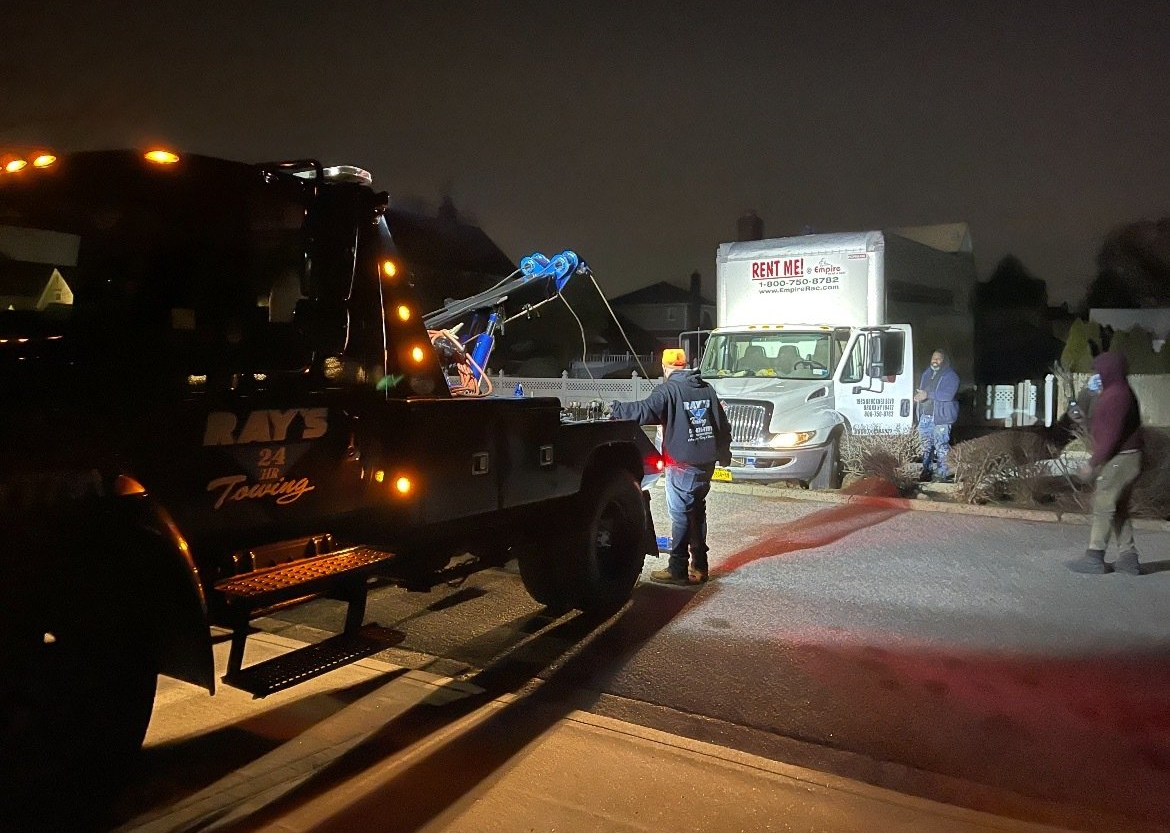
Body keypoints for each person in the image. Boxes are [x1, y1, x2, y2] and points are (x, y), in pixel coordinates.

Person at [611, 348, 732, 585]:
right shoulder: (706, 388)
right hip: (705, 462)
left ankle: (677, 568)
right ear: (685, 364)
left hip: (682, 463)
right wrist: (724, 453)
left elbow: (644, 411)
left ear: (666, 368)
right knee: (697, 512)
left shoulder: (669, 389)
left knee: (681, 515)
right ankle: (699, 565)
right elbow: (722, 424)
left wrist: (616, 408)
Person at [1068, 351, 1144, 575]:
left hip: (1121, 459)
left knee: (1103, 503)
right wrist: (1084, 420)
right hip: (1128, 458)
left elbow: (1111, 436)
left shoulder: (1117, 396)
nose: (1097, 375)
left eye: (1099, 371)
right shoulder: (1118, 392)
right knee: (1118, 507)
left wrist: (1092, 462)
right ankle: (1129, 558)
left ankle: (1095, 556)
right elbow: (1105, 426)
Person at [914, 349, 960, 482]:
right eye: (933, 358)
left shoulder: (951, 376)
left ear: (944, 360)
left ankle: (943, 473)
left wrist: (927, 395)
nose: (935, 361)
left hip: (941, 417)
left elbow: (947, 395)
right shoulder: (926, 374)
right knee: (925, 445)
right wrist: (919, 397)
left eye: (938, 359)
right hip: (925, 416)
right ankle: (926, 471)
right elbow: (923, 391)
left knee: (941, 445)